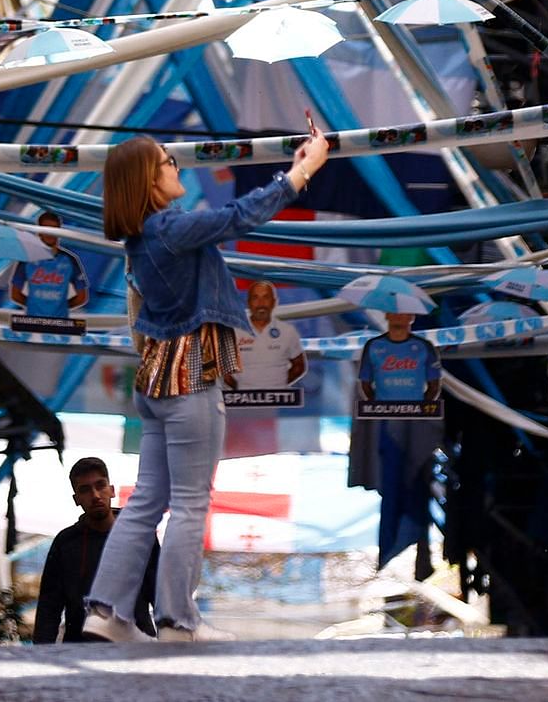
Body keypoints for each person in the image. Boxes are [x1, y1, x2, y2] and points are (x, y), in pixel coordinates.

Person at [79, 125, 330, 643]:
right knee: (191, 503)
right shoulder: (169, 229)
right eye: (169, 161)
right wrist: (303, 169)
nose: (177, 167)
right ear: (150, 182)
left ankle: (107, 612)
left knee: (147, 500)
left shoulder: (139, 240)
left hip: (154, 380)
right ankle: (176, 621)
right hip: (191, 376)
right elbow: (240, 216)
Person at [29, 457, 149, 642]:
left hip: (136, 646)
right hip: (82, 647)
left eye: (100, 485)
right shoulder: (66, 542)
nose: (95, 495)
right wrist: (41, 655)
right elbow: (49, 606)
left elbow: (159, 592)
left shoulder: (139, 535)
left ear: (111, 490)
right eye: (85, 490)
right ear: (76, 499)